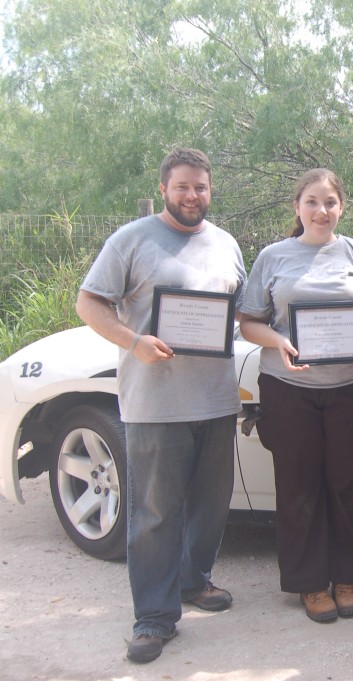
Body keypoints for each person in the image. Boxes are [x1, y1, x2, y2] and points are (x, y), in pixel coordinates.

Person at [76, 148, 246, 663]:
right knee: (154, 515)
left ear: (210, 190)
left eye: (200, 187)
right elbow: (90, 302)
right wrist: (134, 342)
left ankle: (194, 582)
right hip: (156, 403)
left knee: (211, 504)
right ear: (165, 188)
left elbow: (235, 312)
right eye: (182, 187)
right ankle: (153, 617)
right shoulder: (131, 239)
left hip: (216, 399)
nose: (192, 196)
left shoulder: (226, 243)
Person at [238, 169, 353, 623]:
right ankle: (308, 584)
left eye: (330, 203)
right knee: (298, 486)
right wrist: (278, 341)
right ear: (297, 207)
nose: (322, 211)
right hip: (289, 390)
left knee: (351, 484)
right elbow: (249, 321)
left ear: (342, 207)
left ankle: (346, 578)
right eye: (312, 202)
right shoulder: (273, 256)